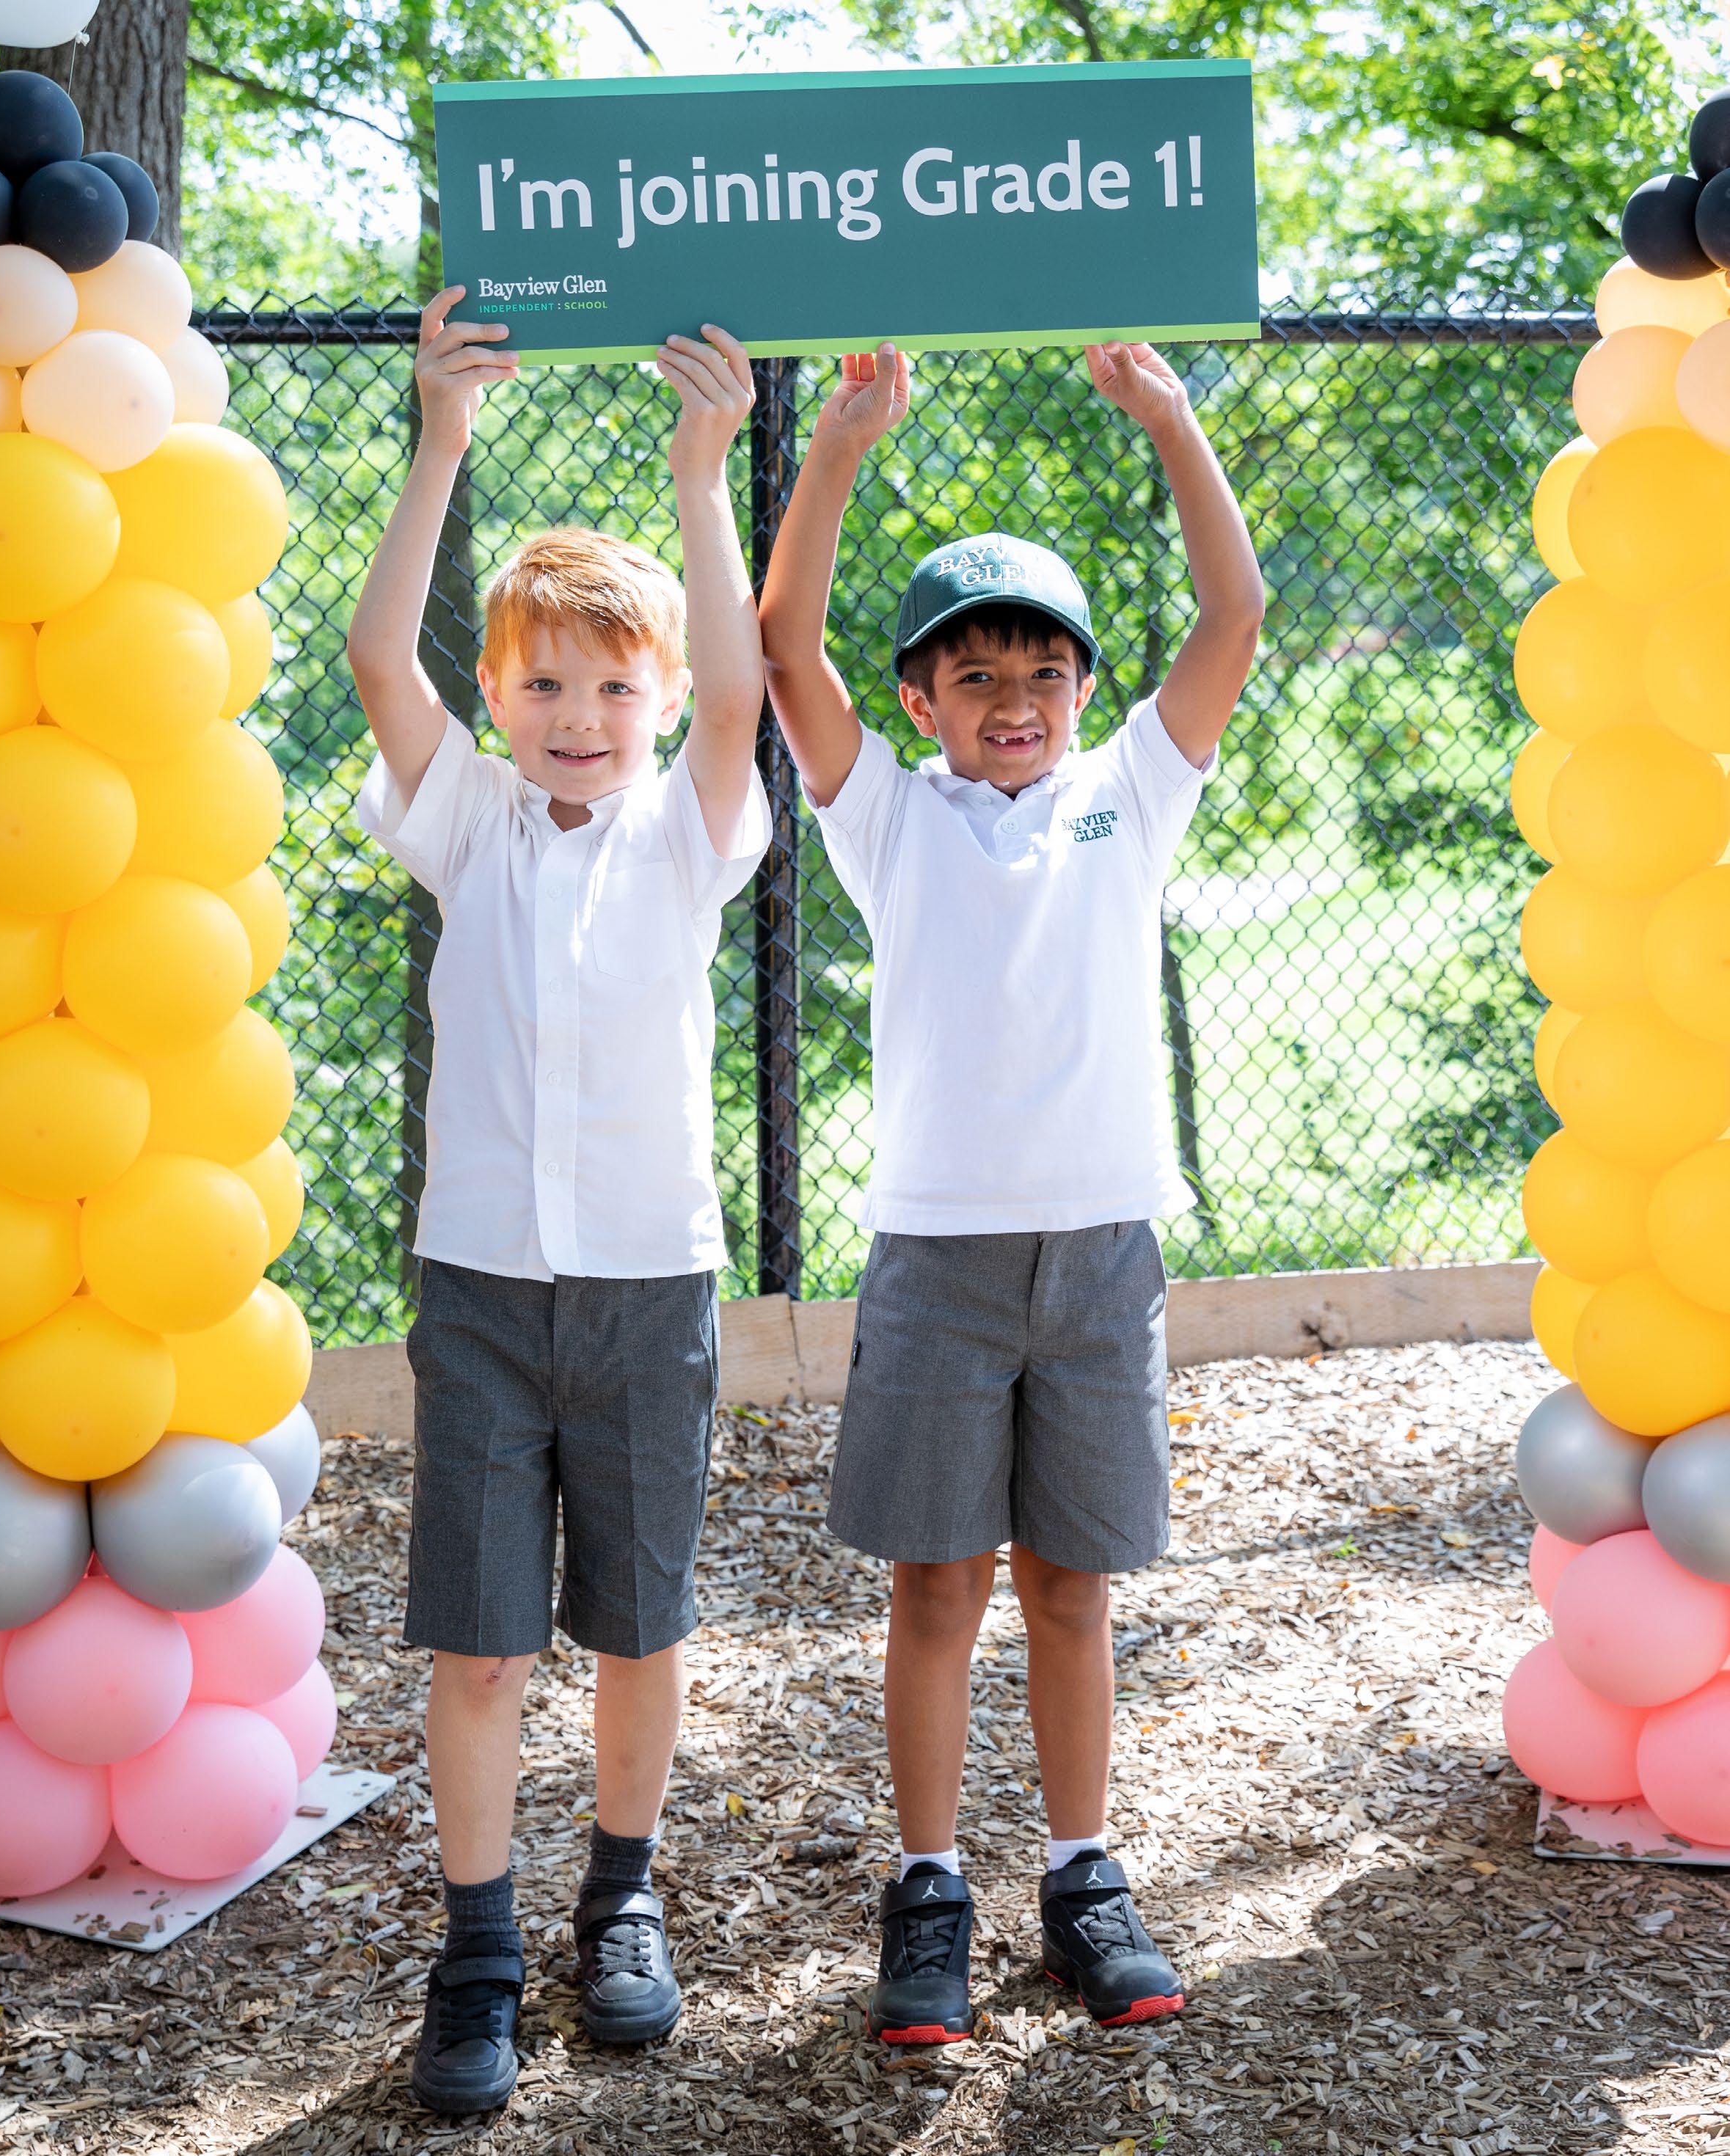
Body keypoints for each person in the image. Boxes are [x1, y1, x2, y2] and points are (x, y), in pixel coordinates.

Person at [757, 337, 1263, 2042]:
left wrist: (1170, 420)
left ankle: (1079, 1878)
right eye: (970, 674)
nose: (1010, 698)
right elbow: (780, 642)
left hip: (1101, 1257)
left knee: (1069, 1588)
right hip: (938, 1264)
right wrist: (839, 441)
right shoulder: (885, 820)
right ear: (919, 703)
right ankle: (926, 1892)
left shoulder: (1130, 795)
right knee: (934, 1589)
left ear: (1080, 688)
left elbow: (1231, 617)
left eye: (1041, 667)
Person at [347, 290, 769, 2114]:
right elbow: (378, 657)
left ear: (653, 704)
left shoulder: (688, 835)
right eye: (541, 684)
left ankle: (620, 1898)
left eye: (612, 686)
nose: (578, 715)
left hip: (648, 1293)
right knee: (479, 1643)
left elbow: (742, 694)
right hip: (481, 1295)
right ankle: (479, 1949)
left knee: (638, 1627)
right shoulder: (468, 825)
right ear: (501, 702)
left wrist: (704, 479)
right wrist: (438, 441)